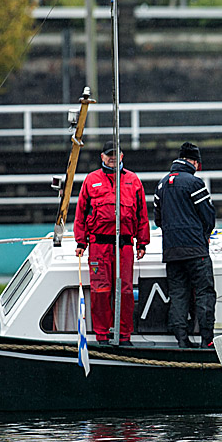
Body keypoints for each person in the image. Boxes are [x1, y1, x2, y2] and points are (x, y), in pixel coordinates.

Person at [74, 143, 149, 345]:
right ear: (102, 157)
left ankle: (124, 335)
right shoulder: (91, 180)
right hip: (99, 246)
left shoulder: (133, 181)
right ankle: (102, 335)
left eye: (116, 155)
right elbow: (80, 213)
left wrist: (142, 242)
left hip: (124, 245)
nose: (113, 158)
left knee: (124, 291)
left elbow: (142, 214)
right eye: (109, 155)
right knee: (100, 291)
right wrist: (81, 241)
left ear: (122, 155)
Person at [154, 142, 216, 348]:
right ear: (195, 162)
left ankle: (182, 339)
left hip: (171, 251)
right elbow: (208, 216)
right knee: (204, 292)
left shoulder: (161, 185)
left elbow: (158, 220)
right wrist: (204, 234)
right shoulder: (194, 183)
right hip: (195, 249)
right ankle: (206, 340)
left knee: (178, 294)